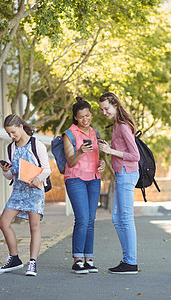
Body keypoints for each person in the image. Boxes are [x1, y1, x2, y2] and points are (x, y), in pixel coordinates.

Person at [0, 114, 51, 276]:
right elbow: (10, 175)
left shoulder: (37, 145)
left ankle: (32, 262)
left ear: (21, 127)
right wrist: (6, 171)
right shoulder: (10, 148)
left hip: (35, 190)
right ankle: (14, 258)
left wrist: (37, 178)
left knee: (34, 226)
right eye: (9, 134)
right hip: (18, 191)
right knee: (3, 222)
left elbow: (47, 169)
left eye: (13, 132)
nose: (12, 136)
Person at [98, 92, 140, 274]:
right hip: (120, 174)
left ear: (115, 104)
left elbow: (135, 156)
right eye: (101, 109)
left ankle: (130, 262)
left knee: (126, 218)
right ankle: (127, 259)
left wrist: (110, 151)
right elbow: (121, 149)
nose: (104, 112)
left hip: (127, 173)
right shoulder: (116, 125)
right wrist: (110, 147)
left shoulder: (122, 126)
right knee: (116, 218)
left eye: (106, 108)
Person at [63, 97, 106, 274]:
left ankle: (89, 259)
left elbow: (97, 157)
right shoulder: (69, 134)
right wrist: (80, 151)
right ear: (75, 118)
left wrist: (101, 164)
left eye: (87, 115)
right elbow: (71, 162)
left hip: (94, 178)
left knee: (91, 220)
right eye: (81, 117)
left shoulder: (95, 133)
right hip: (75, 178)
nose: (85, 119)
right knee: (82, 218)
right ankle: (77, 260)